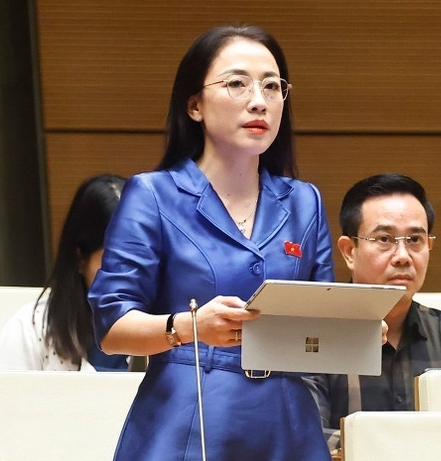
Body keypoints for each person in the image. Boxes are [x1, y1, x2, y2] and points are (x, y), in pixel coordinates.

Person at [87, 25, 335, 461]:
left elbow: (320, 316)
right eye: (237, 83)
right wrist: (190, 327)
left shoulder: (304, 201)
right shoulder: (153, 195)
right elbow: (111, 329)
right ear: (195, 106)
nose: (259, 100)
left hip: (287, 424)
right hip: (188, 416)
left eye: (272, 86)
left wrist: (355, 331)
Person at [305, 173, 441, 450]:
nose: (402, 256)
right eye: (385, 239)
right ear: (349, 251)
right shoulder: (311, 336)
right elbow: (308, 440)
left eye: (414, 239)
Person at [0, 174, 129, 371]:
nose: (130, 275)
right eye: (115, 262)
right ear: (80, 258)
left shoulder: (168, 327)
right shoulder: (29, 329)